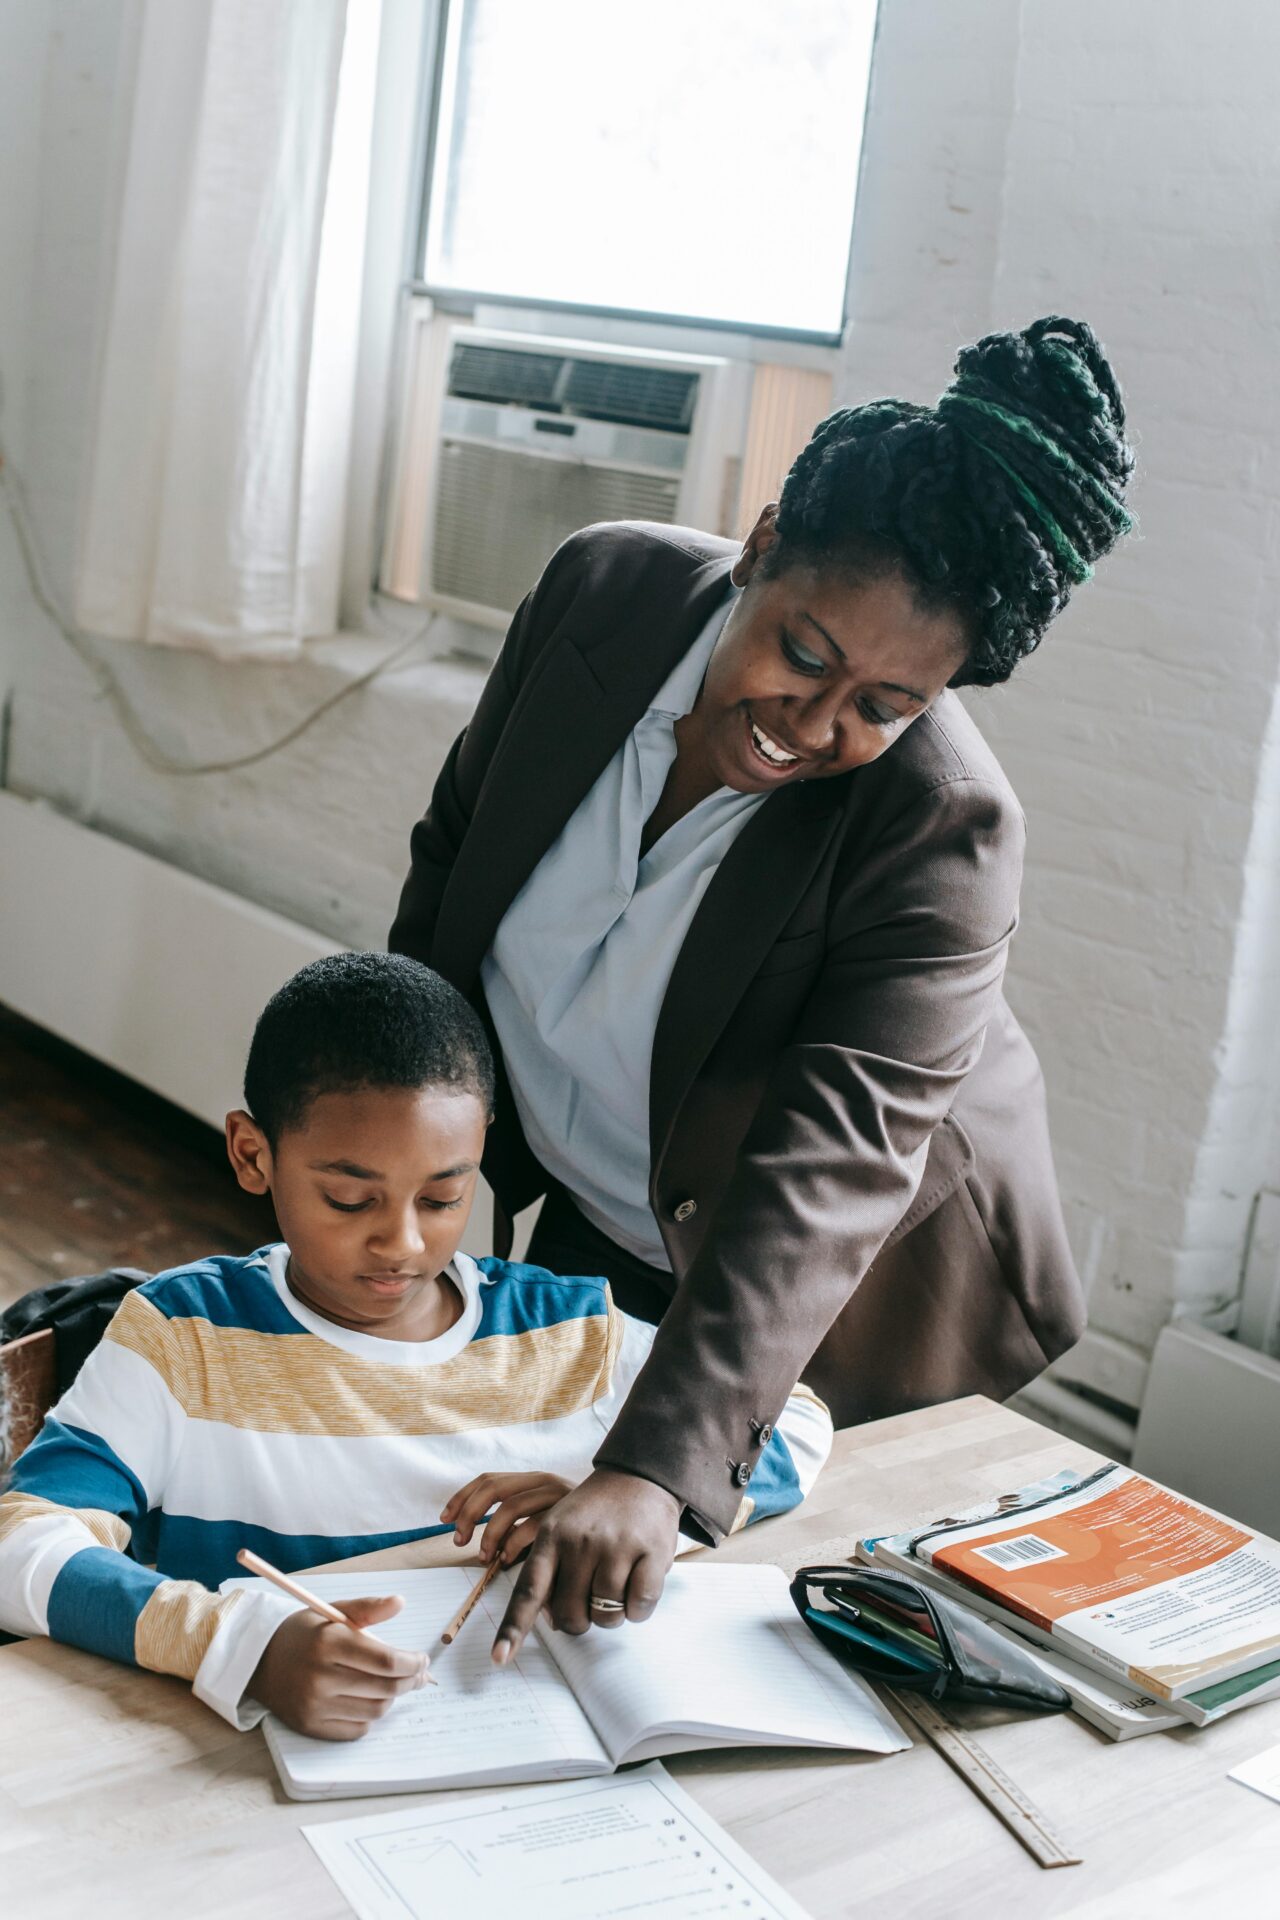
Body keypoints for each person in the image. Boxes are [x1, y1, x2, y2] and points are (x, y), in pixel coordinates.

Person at [389, 315, 1137, 1662]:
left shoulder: (943, 825)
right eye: (803, 653)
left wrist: (661, 1469)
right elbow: (453, 875)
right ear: (763, 542)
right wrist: (390, 1170)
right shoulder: (596, 596)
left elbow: (830, 1166)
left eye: (885, 705)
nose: (813, 726)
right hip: (608, 1206)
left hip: (828, 1308)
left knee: (745, 1671)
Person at [0, 953, 830, 1738]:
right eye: (349, 1199)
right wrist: (237, 1644)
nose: (399, 1242)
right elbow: (22, 1544)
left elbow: (792, 1419)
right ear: (254, 1156)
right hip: (254, 1765)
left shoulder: (567, 1330)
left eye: (443, 1197)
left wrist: (624, 1499)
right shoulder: (185, 1337)